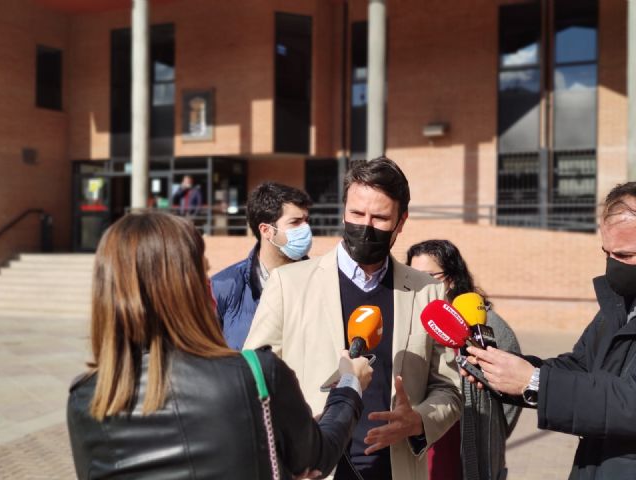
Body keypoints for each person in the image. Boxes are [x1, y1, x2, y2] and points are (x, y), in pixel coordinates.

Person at [66, 211, 373, 480]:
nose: (210, 284)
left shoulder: (86, 398)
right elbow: (318, 457)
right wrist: (350, 385)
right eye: (203, 271)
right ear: (187, 288)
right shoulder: (255, 375)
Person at [245, 157, 462, 480]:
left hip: (395, 470)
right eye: (357, 214)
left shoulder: (427, 291)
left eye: (380, 218)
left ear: (401, 221)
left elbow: (449, 387)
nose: (366, 226)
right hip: (313, 469)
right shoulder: (288, 284)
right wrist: (286, 445)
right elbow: (253, 381)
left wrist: (418, 421)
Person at [465, 181, 636, 480]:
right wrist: (508, 372)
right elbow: (580, 367)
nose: (613, 266)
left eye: (624, 256)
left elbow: (628, 402)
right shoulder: (620, 304)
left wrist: (534, 382)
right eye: (606, 253)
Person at [406, 240, 522, 480]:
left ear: (451, 279)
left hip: (465, 448)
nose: (419, 284)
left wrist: (491, 432)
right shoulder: (407, 322)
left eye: (428, 276)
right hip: (421, 444)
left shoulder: (487, 324)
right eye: (413, 276)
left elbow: (514, 395)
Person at [211, 182, 313, 349]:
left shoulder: (321, 281)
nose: (306, 228)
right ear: (266, 230)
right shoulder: (222, 287)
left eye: (307, 221)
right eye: (295, 222)